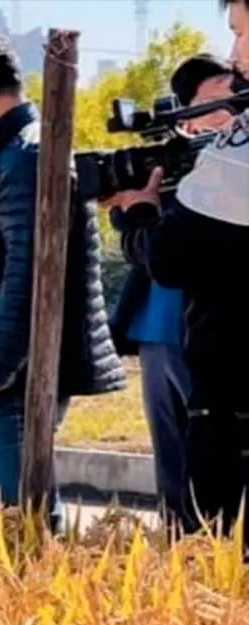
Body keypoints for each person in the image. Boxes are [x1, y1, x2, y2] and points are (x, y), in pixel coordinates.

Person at [0, 31, 125, 527]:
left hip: (9, 382)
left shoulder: (29, 156)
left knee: (19, 527)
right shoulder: (0, 156)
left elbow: (32, 282)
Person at [106, 51, 249, 543]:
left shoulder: (231, 164)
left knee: (215, 456)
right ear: (185, 114)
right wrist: (137, 207)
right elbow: (148, 244)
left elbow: (172, 250)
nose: (228, 112)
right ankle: (177, 547)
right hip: (160, 332)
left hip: (215, 341)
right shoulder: (171, 165)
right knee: (175, 457)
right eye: (214, 102)